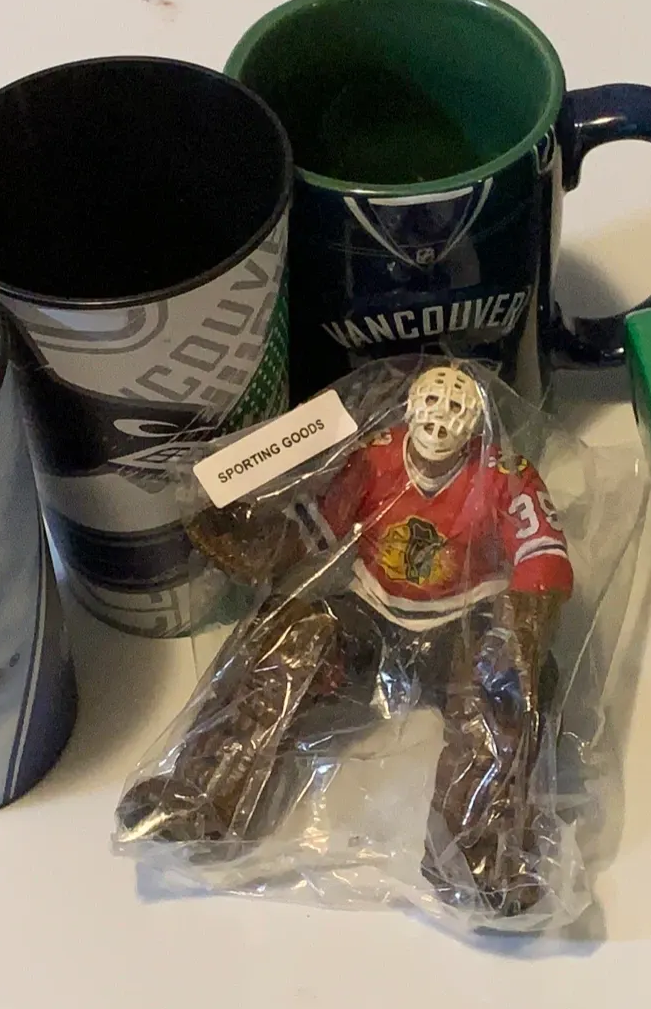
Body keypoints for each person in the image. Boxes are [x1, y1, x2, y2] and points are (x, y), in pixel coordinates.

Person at [119, 362, 573, 914]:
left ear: (473, 423)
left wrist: (521, 630)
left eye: (454, 412)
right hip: (373, 608)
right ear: (411, 411)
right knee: (286, 636)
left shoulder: (504, 474)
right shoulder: (377, 456)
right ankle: (205, 793)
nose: (439, 427)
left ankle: (481, 852)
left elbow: (542, 557)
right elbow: (315, 526)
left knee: (507, 687)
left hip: (465, 618)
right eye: (432, 410)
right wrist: (255, 541)